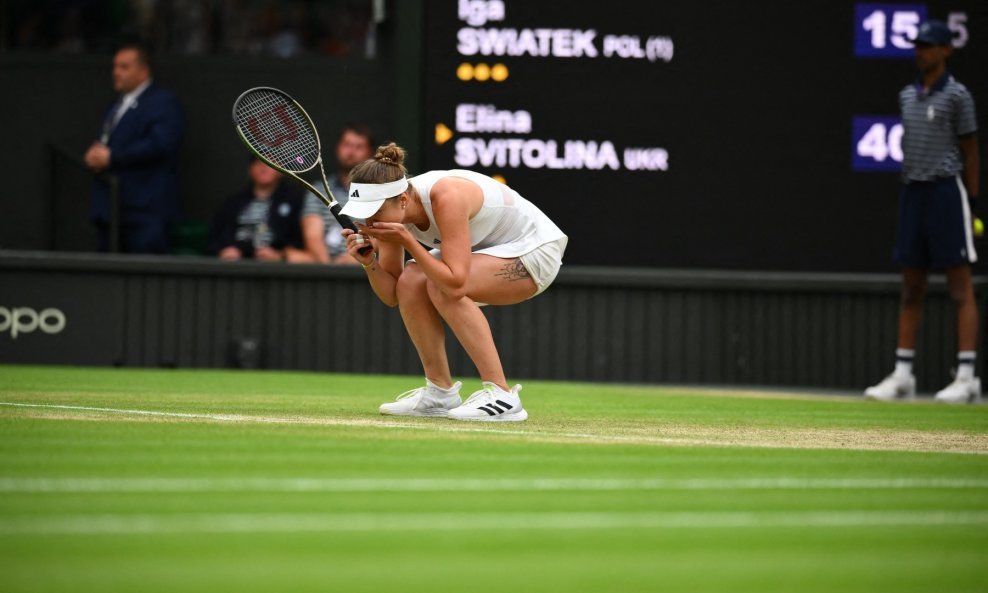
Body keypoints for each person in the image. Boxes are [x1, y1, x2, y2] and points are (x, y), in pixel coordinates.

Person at [340, 143, 568, 421]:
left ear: (401, 200)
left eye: (374, 209)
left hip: (536, 250)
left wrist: (409, 242)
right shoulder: (392, 216)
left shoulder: (447, 195)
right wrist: (369, 263)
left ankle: (503, 396)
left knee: (442, 284)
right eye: (363, 211)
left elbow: (456, 283)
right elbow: (394, 295)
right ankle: (440, 393)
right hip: (484, 254)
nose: (368, 219)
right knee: (412, 280)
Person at [865, 20, 981, 404]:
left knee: (960, 289)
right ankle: (902, 376)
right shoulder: (906, 96)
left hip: (947, 193)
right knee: (911, 288)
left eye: (929, 46)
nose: (921, 51)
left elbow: (970, 152)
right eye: (919, 45)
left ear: (946, 50)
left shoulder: (958, 96)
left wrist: (973, 202)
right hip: (913, 194)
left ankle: (966, 377)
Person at [84, 42, 184, 254]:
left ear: (143, 71)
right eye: (114, 67)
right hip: (111, 209)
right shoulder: (115, 106)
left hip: (145, 211)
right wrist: (97, 154)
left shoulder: (162, 102)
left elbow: (161, 144)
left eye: (124, 67)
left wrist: (112, 157)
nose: (116, 72)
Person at [206, 157, 310, 262]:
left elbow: (301, 243)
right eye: (259, 163)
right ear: (250, 169)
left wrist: (280, 255)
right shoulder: (233, 202)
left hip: (277, 269)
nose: (264, 168)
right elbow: (213, 239)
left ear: (281, 170)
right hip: (235, 266)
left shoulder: (296, 202)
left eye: (270, 163)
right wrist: (223, 251)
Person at [300, 124, 375, 264]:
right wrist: (332, 268)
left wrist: (356, 259)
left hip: (366, 268)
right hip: (325, 270)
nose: (351, 152)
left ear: (369, 153)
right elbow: (313, 238)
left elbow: (383, 240)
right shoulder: (318, 190)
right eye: (347, 145)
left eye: (359, 147)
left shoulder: (380, 193)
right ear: (338, 148)